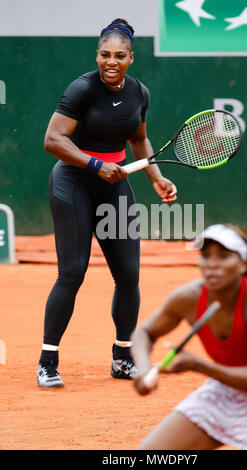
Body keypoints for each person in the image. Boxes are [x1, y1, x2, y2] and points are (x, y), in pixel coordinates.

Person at [37, 18, 177, 388]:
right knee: (73, 271)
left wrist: (156, 177)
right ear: (96, 55)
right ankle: (47, 360)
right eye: (104, 54)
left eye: (118, 55)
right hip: (74, 182)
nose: (110, 61)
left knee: (129, 274)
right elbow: (53, 140)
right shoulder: (81, 89)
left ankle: (122, 357)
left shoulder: (139, 93)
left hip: (114, 186)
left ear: (131, 58)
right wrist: (96, 164)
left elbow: (139, 139)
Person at [131, 224, 247, 450]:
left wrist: (197, 365)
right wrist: (143, 370)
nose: (212, 264)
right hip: (227, 389)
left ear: (243, 264)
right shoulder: (188, 297)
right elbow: (146, 332)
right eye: (205, 256)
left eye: (223, 256)